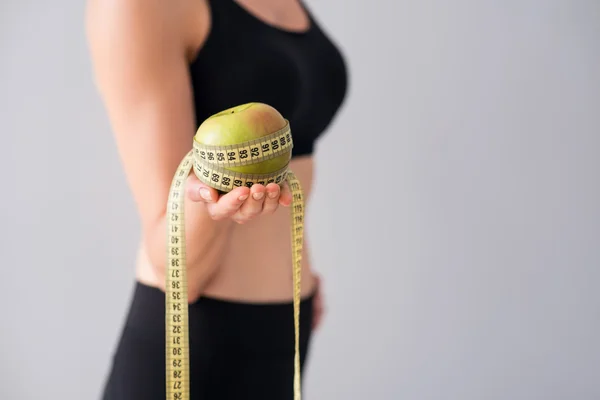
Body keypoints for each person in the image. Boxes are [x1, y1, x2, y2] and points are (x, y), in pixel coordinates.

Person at [85, 0, 348, 398]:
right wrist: (215, 205)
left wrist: (296, 278)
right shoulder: (135, 6)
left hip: (285, 331)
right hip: (198, 344)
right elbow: (173, 266)